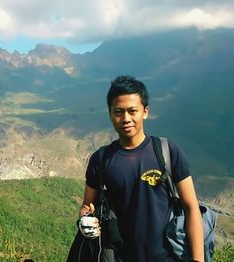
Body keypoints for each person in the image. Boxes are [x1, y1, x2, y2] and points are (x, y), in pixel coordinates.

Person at [78, 75, 204, 261]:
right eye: (118, 112)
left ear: (145, 112)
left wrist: (197, 259)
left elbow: (191, 206)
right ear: (110, 114)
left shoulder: (167, 152)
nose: (126, 118)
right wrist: (84, 222)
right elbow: (87, 206)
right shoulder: (101, 159)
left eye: (132, 111)